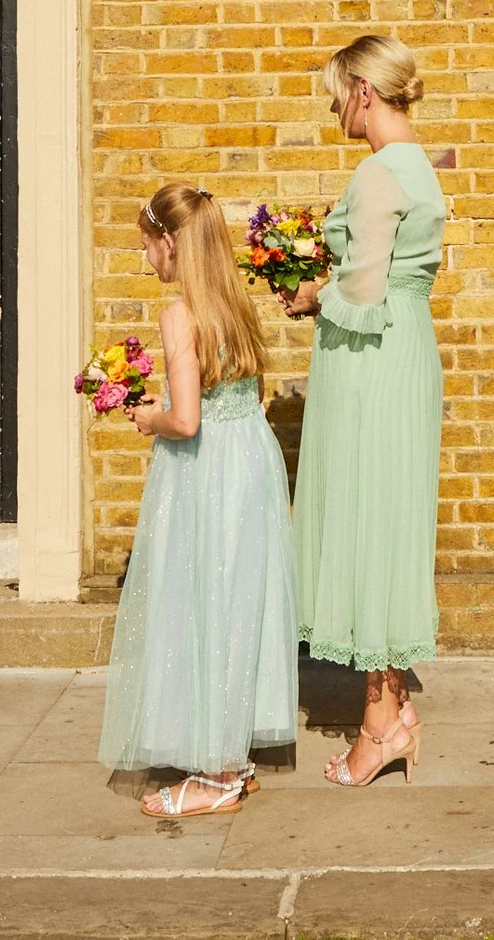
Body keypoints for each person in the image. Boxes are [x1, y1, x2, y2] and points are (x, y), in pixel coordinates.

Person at [97, 182, 299, 817]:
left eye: (146, 247)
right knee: (239, 602)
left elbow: (187, 420)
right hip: (251, 462)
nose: (145, 261)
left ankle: (215, 776)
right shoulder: (236, 304)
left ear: (169, 242)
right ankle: (232, 752)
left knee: (202, 601)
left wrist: (147, 416)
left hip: (207, 470)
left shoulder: (180, 314)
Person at [279, 35, 448, 786]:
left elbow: (364, 288)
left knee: (370, 522)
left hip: (372, 361)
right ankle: (397, 708)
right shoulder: (419, 166)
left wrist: (311, 293)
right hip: (402, 350)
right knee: (387, 517)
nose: (332, 106)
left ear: (363, 91)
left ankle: (378, 724)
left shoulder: (381, 173)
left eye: (336, 91)